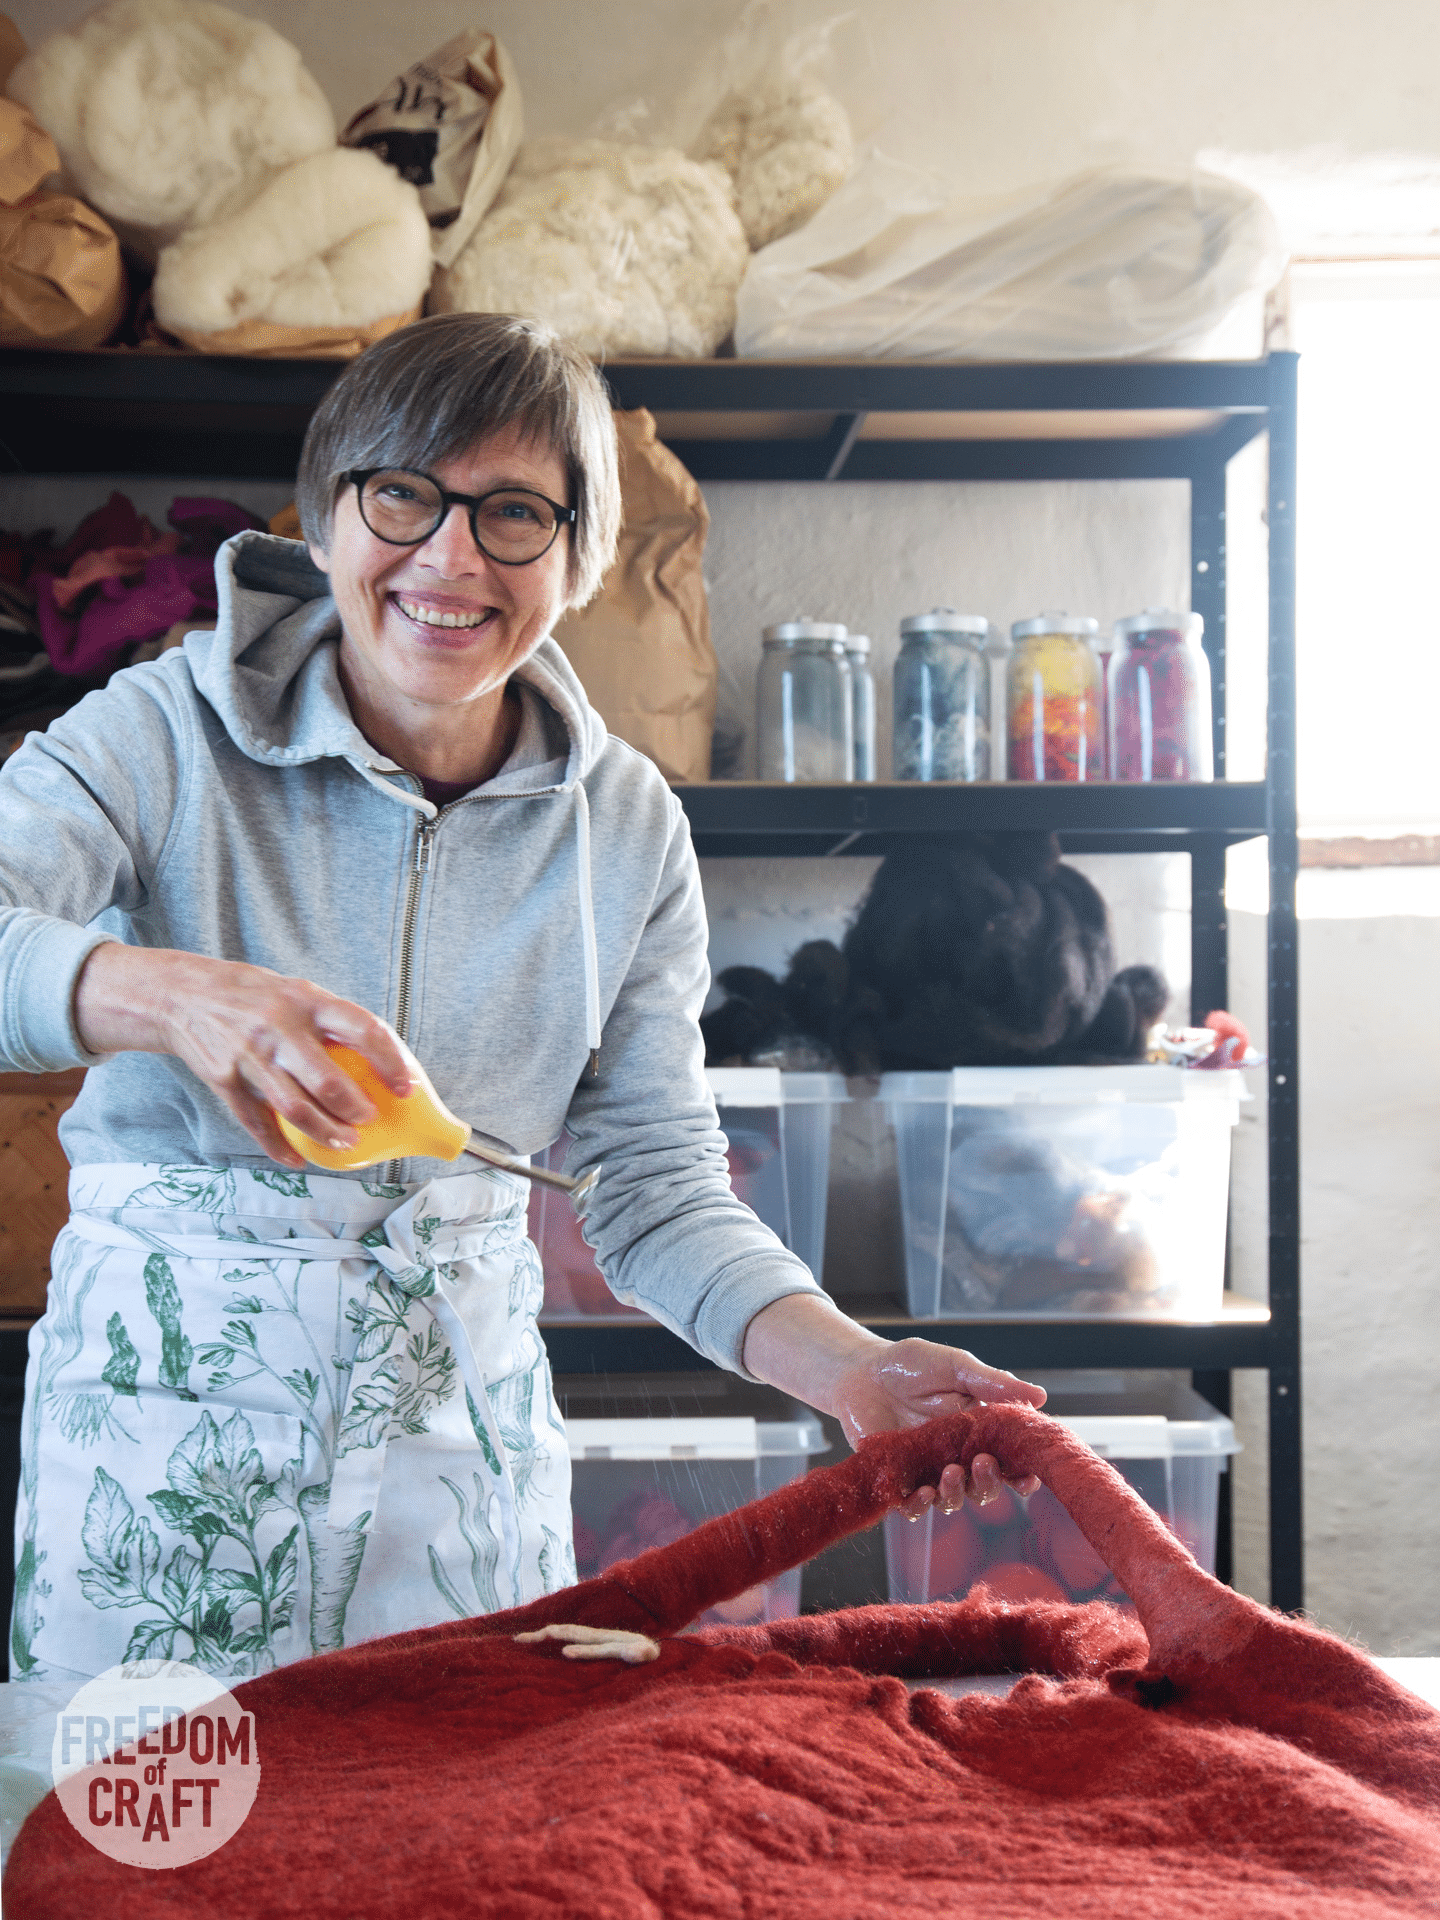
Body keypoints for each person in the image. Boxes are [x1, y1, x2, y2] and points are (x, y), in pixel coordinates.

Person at [3, 313, 1043, 1684]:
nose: (450, 556)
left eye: (513, 513)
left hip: (456, 1482)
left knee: (456, 1877)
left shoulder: (625, 830)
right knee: (155, 1880)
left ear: (580, 559)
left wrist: (848, 1368)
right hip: (156, 1474)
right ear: (321, 520)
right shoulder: (156, 732)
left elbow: (655, 1189)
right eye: (402, 496)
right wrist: (166, 995)